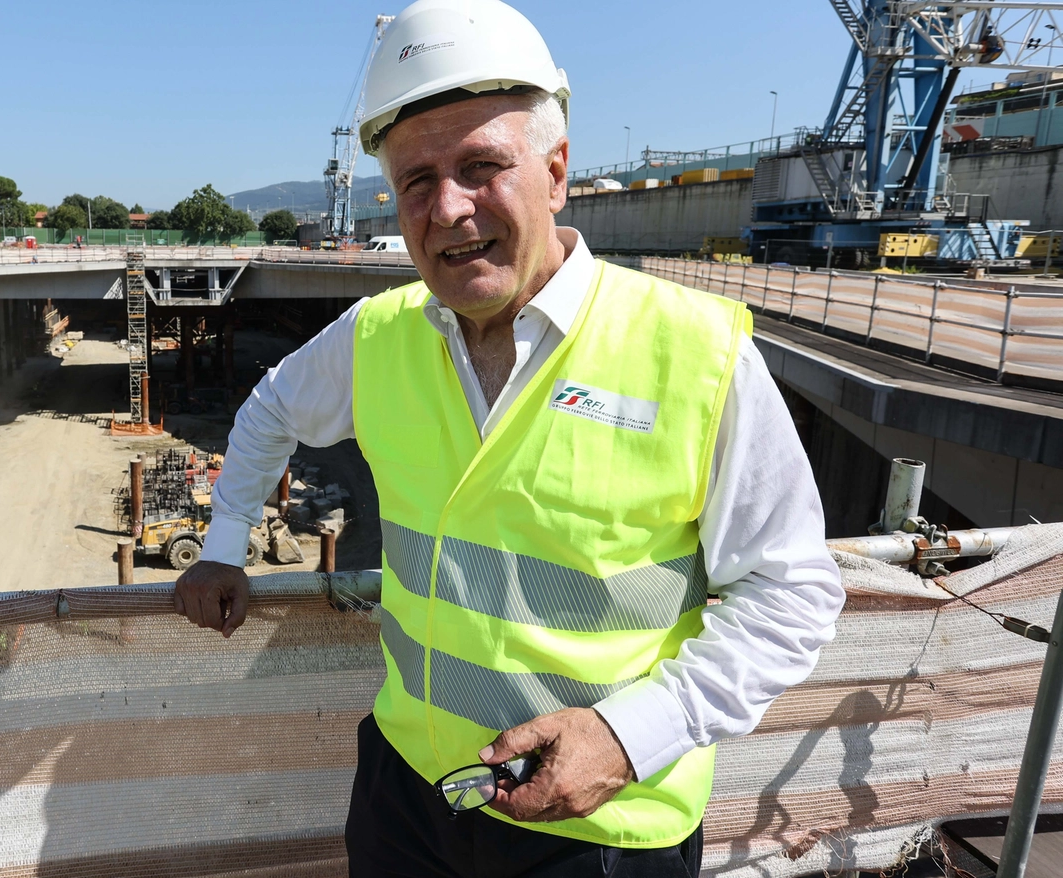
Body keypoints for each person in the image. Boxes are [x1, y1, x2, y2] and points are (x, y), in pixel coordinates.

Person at [174, 2, 845, 875]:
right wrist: (224, 545)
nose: (448, 208)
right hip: (409, 793)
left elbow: (790, 596)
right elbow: (267, 410)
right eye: (415, 180)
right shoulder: (378, 336)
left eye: (482, 166)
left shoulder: (695, 354)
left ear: (557, 172)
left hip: (599, 825)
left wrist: (628, 735)